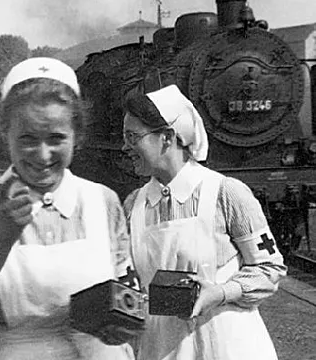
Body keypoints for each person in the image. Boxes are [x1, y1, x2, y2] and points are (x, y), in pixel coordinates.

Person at [0, 57, 136, 360]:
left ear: (77, 136)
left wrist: (125, 323)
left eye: (56, 139)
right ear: (4, 134)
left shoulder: (103, 201)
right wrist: (2, 238)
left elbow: (126, 296)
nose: (43, 156)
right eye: (28, 139)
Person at [122, 84, 287, 360]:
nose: (124, 147)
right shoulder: (133, 205)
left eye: (132, 137)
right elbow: (130, 281)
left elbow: (270, 268)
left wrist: (221, 293)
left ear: (167, 138)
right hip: (162, 348)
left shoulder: (226, 193)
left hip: (226, 347)